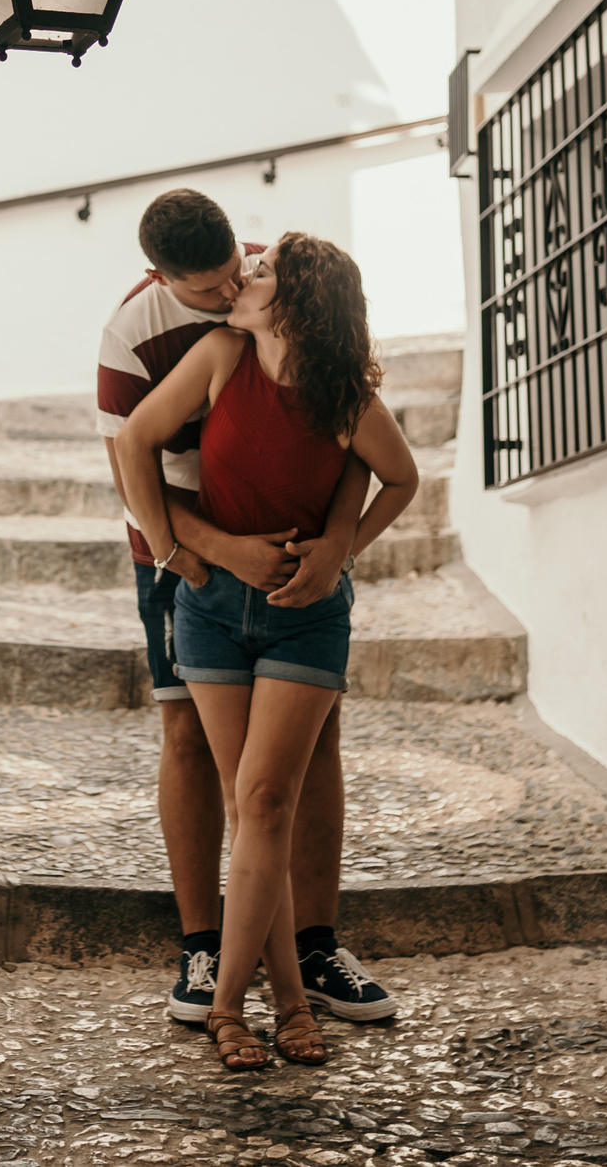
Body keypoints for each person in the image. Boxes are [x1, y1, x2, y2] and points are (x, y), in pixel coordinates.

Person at [114, 232, 419, 1070]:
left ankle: (227, 1007)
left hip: (305, 615)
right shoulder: (217, 354)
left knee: (268, 799)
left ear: (298, 302)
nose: (244, 276)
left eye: (263, 271)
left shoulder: (344, 396)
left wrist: (340, 550)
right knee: (253, 810)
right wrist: (176, 554)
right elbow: (133, 439)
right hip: (211, 607)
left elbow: (403, 477)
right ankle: (283, 1002)